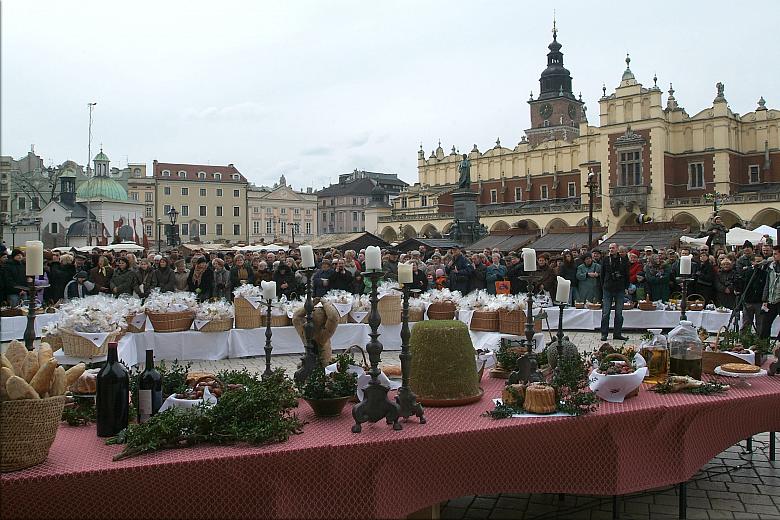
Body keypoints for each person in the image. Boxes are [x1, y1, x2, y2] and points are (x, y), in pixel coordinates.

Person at [599, 243, 630, 341]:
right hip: (608, 288)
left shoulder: (623, 260)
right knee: (605, 312)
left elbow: (626, 274)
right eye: (610, 248)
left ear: (617, 249)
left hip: (619, 288)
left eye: (613, 248)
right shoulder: (606, 260)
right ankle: (604, 334)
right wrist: (603, 286)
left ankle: (617, 333)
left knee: (619, 313)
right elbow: (602, 274)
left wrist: (626, 287)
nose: (611, 250)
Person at [737, 252, 766, 332]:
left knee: (760, 323)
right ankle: (744, 340)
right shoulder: (747, 272)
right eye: (757, 261)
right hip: (748, 301)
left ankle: (760, 341)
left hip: (759, 302)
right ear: (752, 262)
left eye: (760, 261)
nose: (758, 264)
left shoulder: (764, 273)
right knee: (746, 322)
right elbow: (743, 285)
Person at [759, 245, 780, 340]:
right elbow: (767, 284)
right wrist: (765, 299)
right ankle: (763, 346)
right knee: (765, 324)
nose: (774, 256)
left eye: (776, 254)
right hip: (771, 299)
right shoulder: (771, 267)